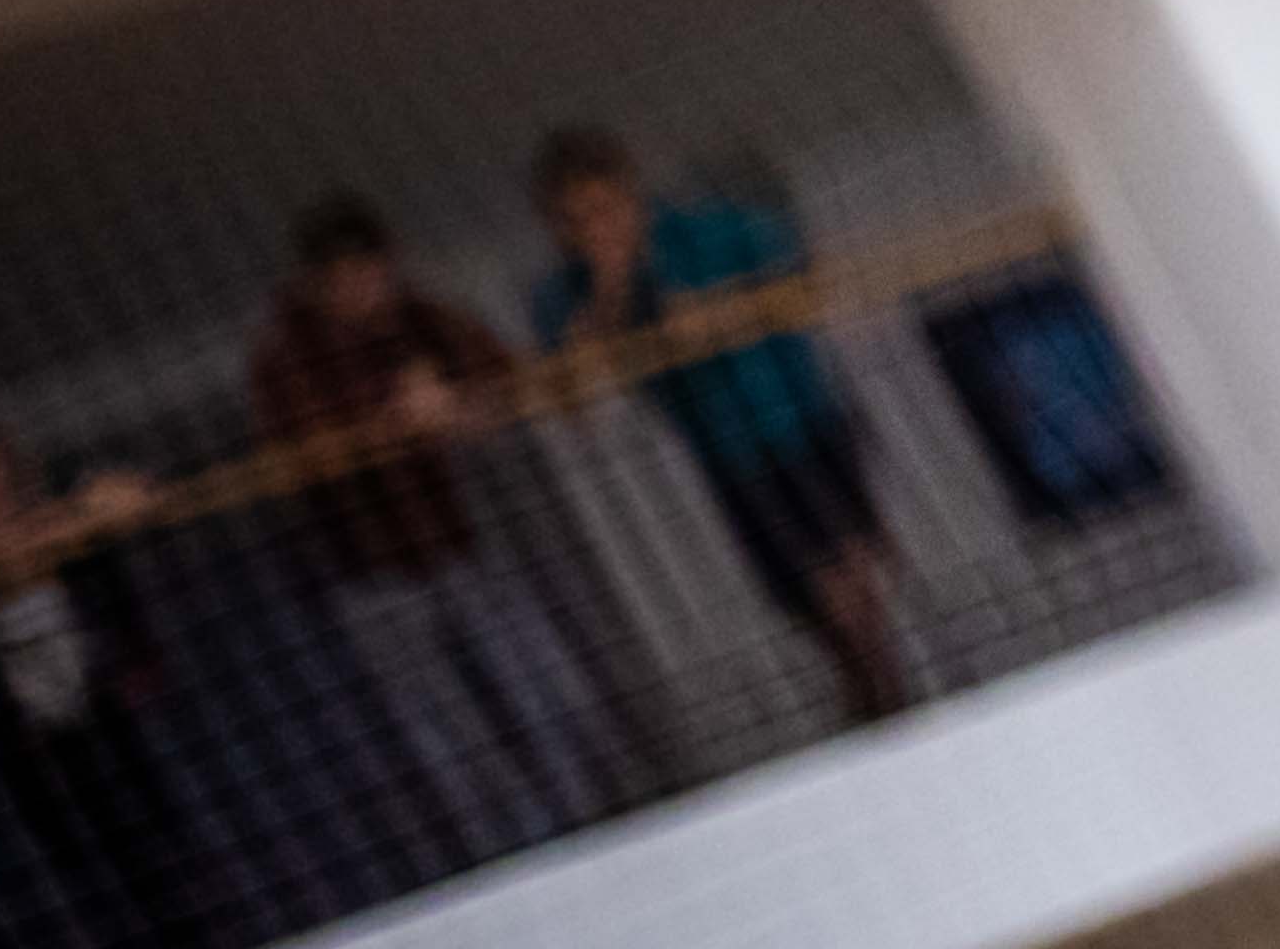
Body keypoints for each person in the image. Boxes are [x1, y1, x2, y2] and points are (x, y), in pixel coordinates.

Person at [245, 199, 628, 866]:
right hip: (369, 573)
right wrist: (392, 419)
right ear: (316, 284)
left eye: (371, 274)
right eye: (345, 281)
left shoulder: (428, 320)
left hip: (461, 546)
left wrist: (462, 409)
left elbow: (510, 382)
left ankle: (589, 825)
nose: (364, 292)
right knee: (448, 737)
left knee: (548, 694)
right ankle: (509, 856)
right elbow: (296, 456)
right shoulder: (287, 358)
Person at [531, 128, 907, 722]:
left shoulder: (708, 231)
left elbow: (806, 276)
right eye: (576, 221)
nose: (596, 230)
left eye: (605, 210)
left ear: (630, 195)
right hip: (728, 455)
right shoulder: (566, 292)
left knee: (850, 564)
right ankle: (871, 694)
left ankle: (886, 695)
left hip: (803, 415)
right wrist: (611, 295)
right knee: (803, 590)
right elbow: (577, 398)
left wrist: (726, 313)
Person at [0, 424, 194, 949]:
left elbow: (134, 493)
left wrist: (79, 516)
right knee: (69, 859)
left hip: (101, 706)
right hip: (23, 736)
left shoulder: (64, 516)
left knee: (155, 834)